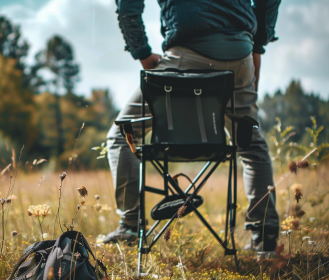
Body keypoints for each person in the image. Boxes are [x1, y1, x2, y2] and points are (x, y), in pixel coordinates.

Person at [103, 0, 281, 254]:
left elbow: (128, 5)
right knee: (251, 145)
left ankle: (131, 227)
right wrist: (256, 46)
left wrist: (141, 51)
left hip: (187, 53)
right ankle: (265, 241)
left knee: (122, 135)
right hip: (241, 53)